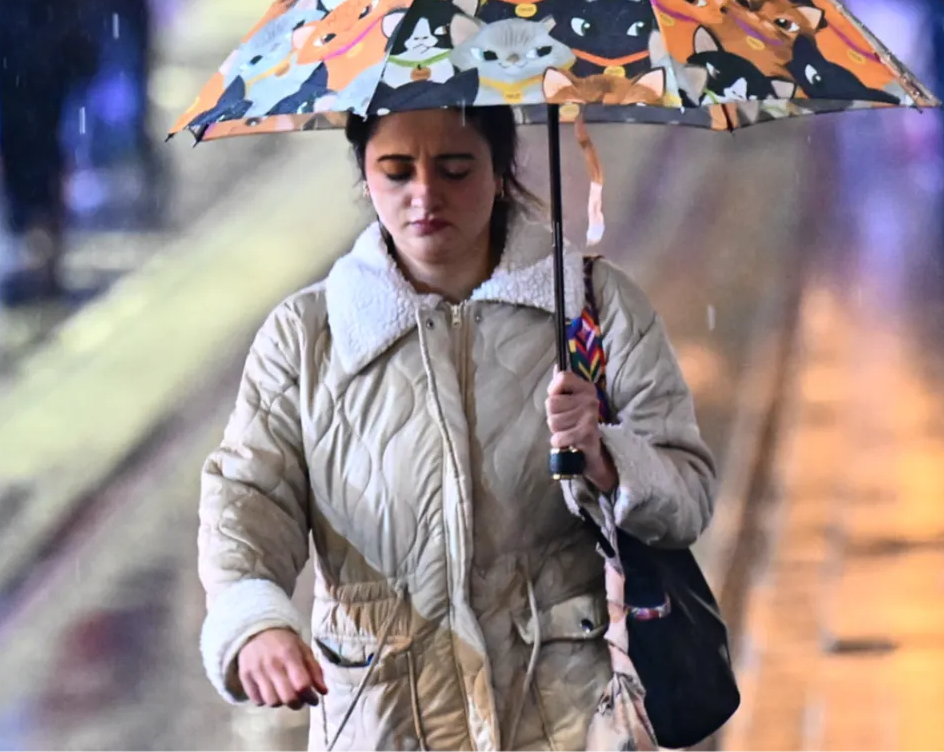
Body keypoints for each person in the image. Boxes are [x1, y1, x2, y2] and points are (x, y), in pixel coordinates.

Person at [196, 106, 716, 750]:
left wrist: (607, 457)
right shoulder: (304, 337)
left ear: (499, 172)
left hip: (565, 717)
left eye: (455, 169)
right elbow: (248, 498)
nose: (424, 194)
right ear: (364, 175)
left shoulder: (595, 310)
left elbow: (689, 493)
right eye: (395, 171)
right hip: (381, 717)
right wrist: (253, 620)